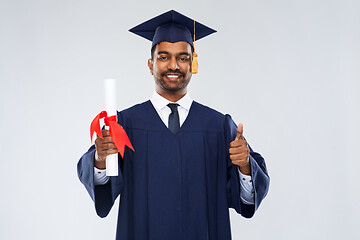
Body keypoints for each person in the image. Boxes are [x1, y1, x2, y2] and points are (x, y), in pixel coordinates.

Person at [78, 9, 269, 240]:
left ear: (192, 63)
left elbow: (246, 200)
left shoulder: (219, 127)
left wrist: (245, 167)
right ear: (150, 65)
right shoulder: (124, 125)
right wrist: (100, 159)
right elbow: (103, 189)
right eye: (164, 56)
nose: (174, 65)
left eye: (183, 57)